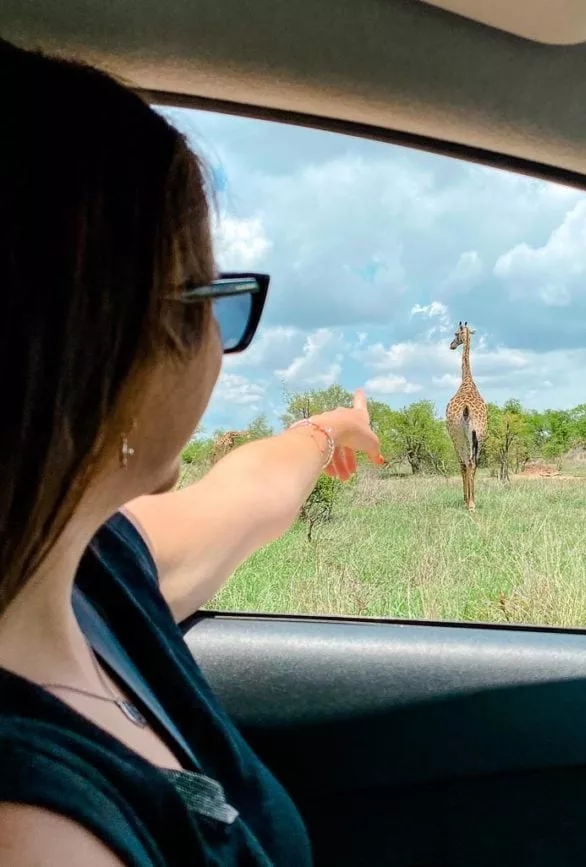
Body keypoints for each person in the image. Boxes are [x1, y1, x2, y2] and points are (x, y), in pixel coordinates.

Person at [0, 38, 383, 865]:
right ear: (113, 344)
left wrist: (330, 430)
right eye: (211, 294)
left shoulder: (86, 558)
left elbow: (246, 494)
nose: (218, 343)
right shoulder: (35, 832)